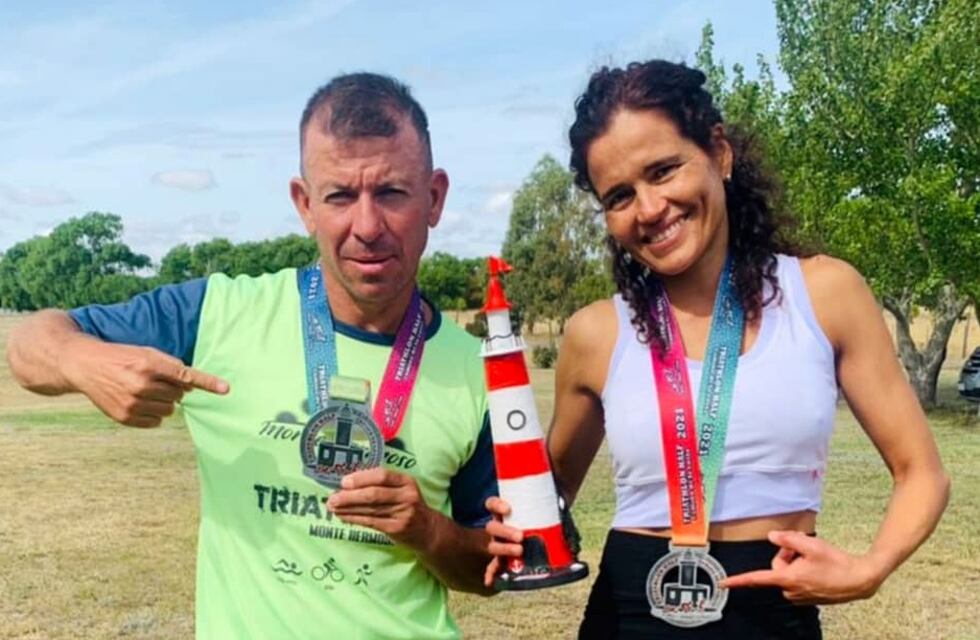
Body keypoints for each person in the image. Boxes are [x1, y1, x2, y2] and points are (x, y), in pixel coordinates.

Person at [6, 72, 497, 639]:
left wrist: (430, 532)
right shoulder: (217, 314)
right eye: (340, 196)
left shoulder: (480, 374)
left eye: (391, 193)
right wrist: (83, 361)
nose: (367, 226)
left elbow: (490, 571)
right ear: (304, 204)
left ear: (434, 198)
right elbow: (29, 344)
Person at [485, 60, 949, 639]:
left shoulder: (826, 294)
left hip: (775, 619)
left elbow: (922, 473)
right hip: (627, 619)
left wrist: (870, 569)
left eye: (663, 171)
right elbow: (549, 493)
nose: (649, 208)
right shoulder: (595, 332)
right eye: (620, 196)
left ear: (720, 153)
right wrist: (510, 521)